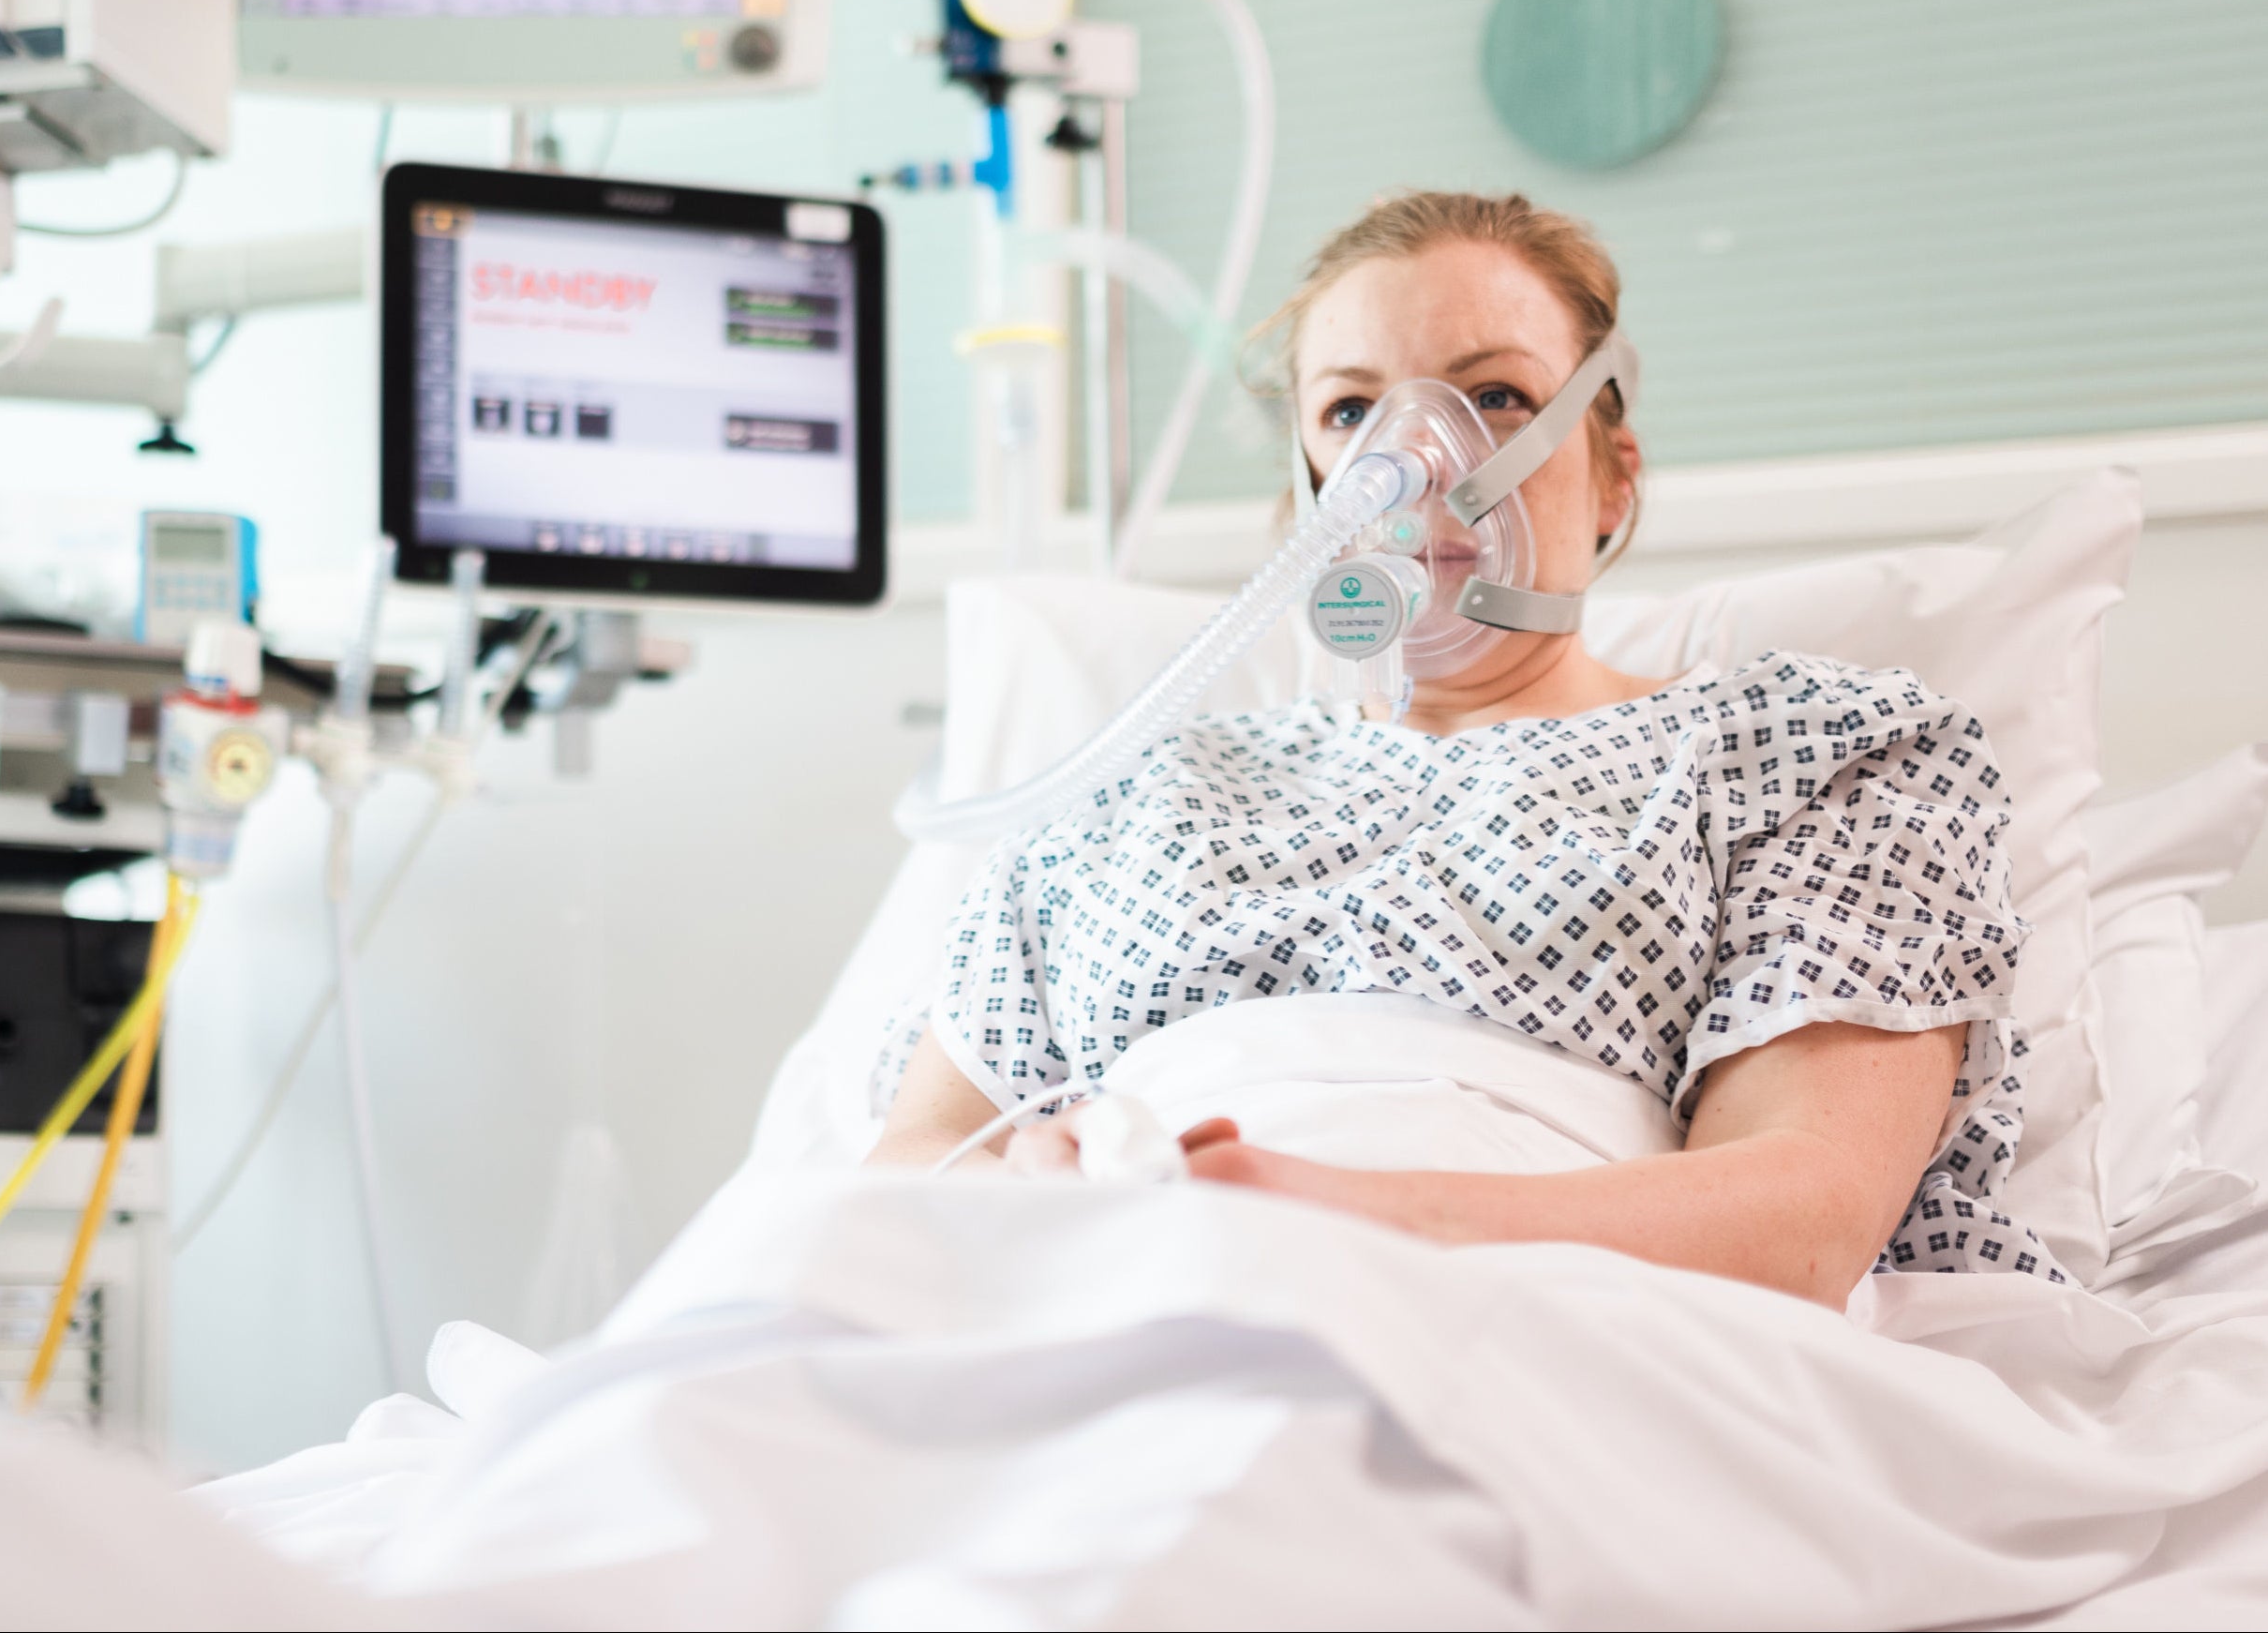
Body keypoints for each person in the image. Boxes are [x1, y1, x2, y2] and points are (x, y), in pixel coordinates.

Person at [868, 190, 2055, 1303]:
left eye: (1490, 397)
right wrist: (1032, 1201)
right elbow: (912, 1154)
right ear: (1311, 497)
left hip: (1529, 1315)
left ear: (1608, 477)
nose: (1417, 457)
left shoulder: (1803, 753)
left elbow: (1804, 1212)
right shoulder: (1136, 785)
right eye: (1350, 411)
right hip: (1095, 1279)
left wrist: (1317, 1217)